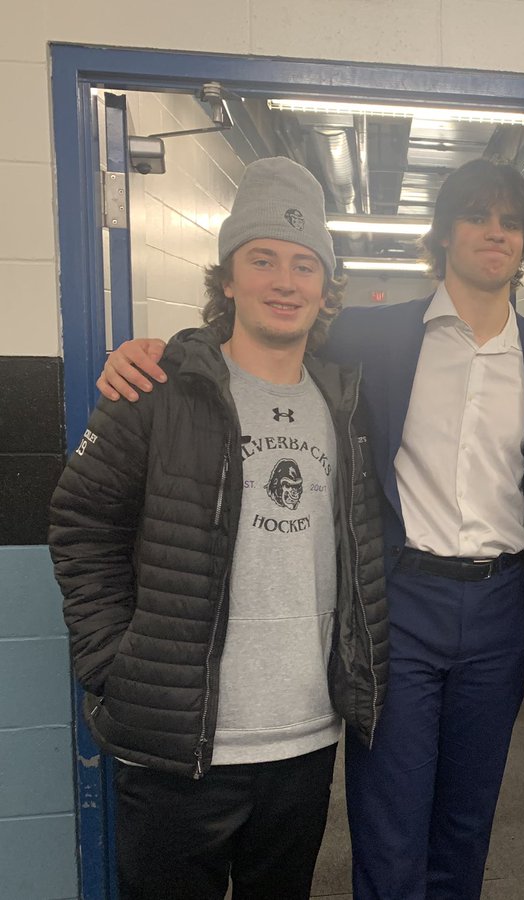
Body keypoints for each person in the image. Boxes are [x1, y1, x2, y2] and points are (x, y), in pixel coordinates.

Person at [95, 158, 524, 900]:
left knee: (468, 823)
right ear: (443, 233)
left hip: (500, 607)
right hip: (400, 603)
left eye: (511, 222)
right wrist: (155, 350)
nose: (495, 233)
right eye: (478, 216)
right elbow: (256, 342)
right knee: (390, 824)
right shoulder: (369, 338)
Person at [49, 156, 388, 900]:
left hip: (303, 741)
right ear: (227, 279)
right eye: (262, 258)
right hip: (177, 745)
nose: (285, 280)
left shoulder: (343, 405)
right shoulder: (156, 389)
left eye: (305, 265)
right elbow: (80, 523)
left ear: (325, 290)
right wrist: (116, 661)